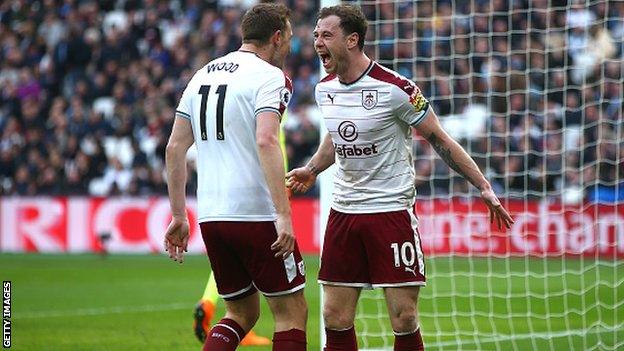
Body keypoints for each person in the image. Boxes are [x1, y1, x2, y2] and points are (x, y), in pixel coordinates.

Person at [286, 5, 514, 351]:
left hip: (390, 212)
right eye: (316, 35)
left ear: (352, 39)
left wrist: (483, 185)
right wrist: (313, 168)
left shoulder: (396, 89)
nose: (317, 41)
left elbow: (439, 139)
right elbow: (336, 137)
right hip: (344, 213)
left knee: (404, 318)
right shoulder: (325, 89)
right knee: (333, 316)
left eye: (326, 35)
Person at [164, 3, 308, 351]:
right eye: (288, 38)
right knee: (291, 313)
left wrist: (180, 215)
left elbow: (174, 148)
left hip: (213, 216)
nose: (289, 46)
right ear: (276, 38)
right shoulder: (271, 77)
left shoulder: (202, 74)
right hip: (257, 214)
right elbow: (266, 139)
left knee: (240, 313)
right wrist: (284, 215)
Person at [193, 112, 292, 347]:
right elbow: (271, 140)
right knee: (291, 309)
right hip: (261, 191)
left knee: (235, 277)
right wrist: (282, 186)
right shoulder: (269, 87)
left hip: (217, 197)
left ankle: (208, 302)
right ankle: (234, 321)